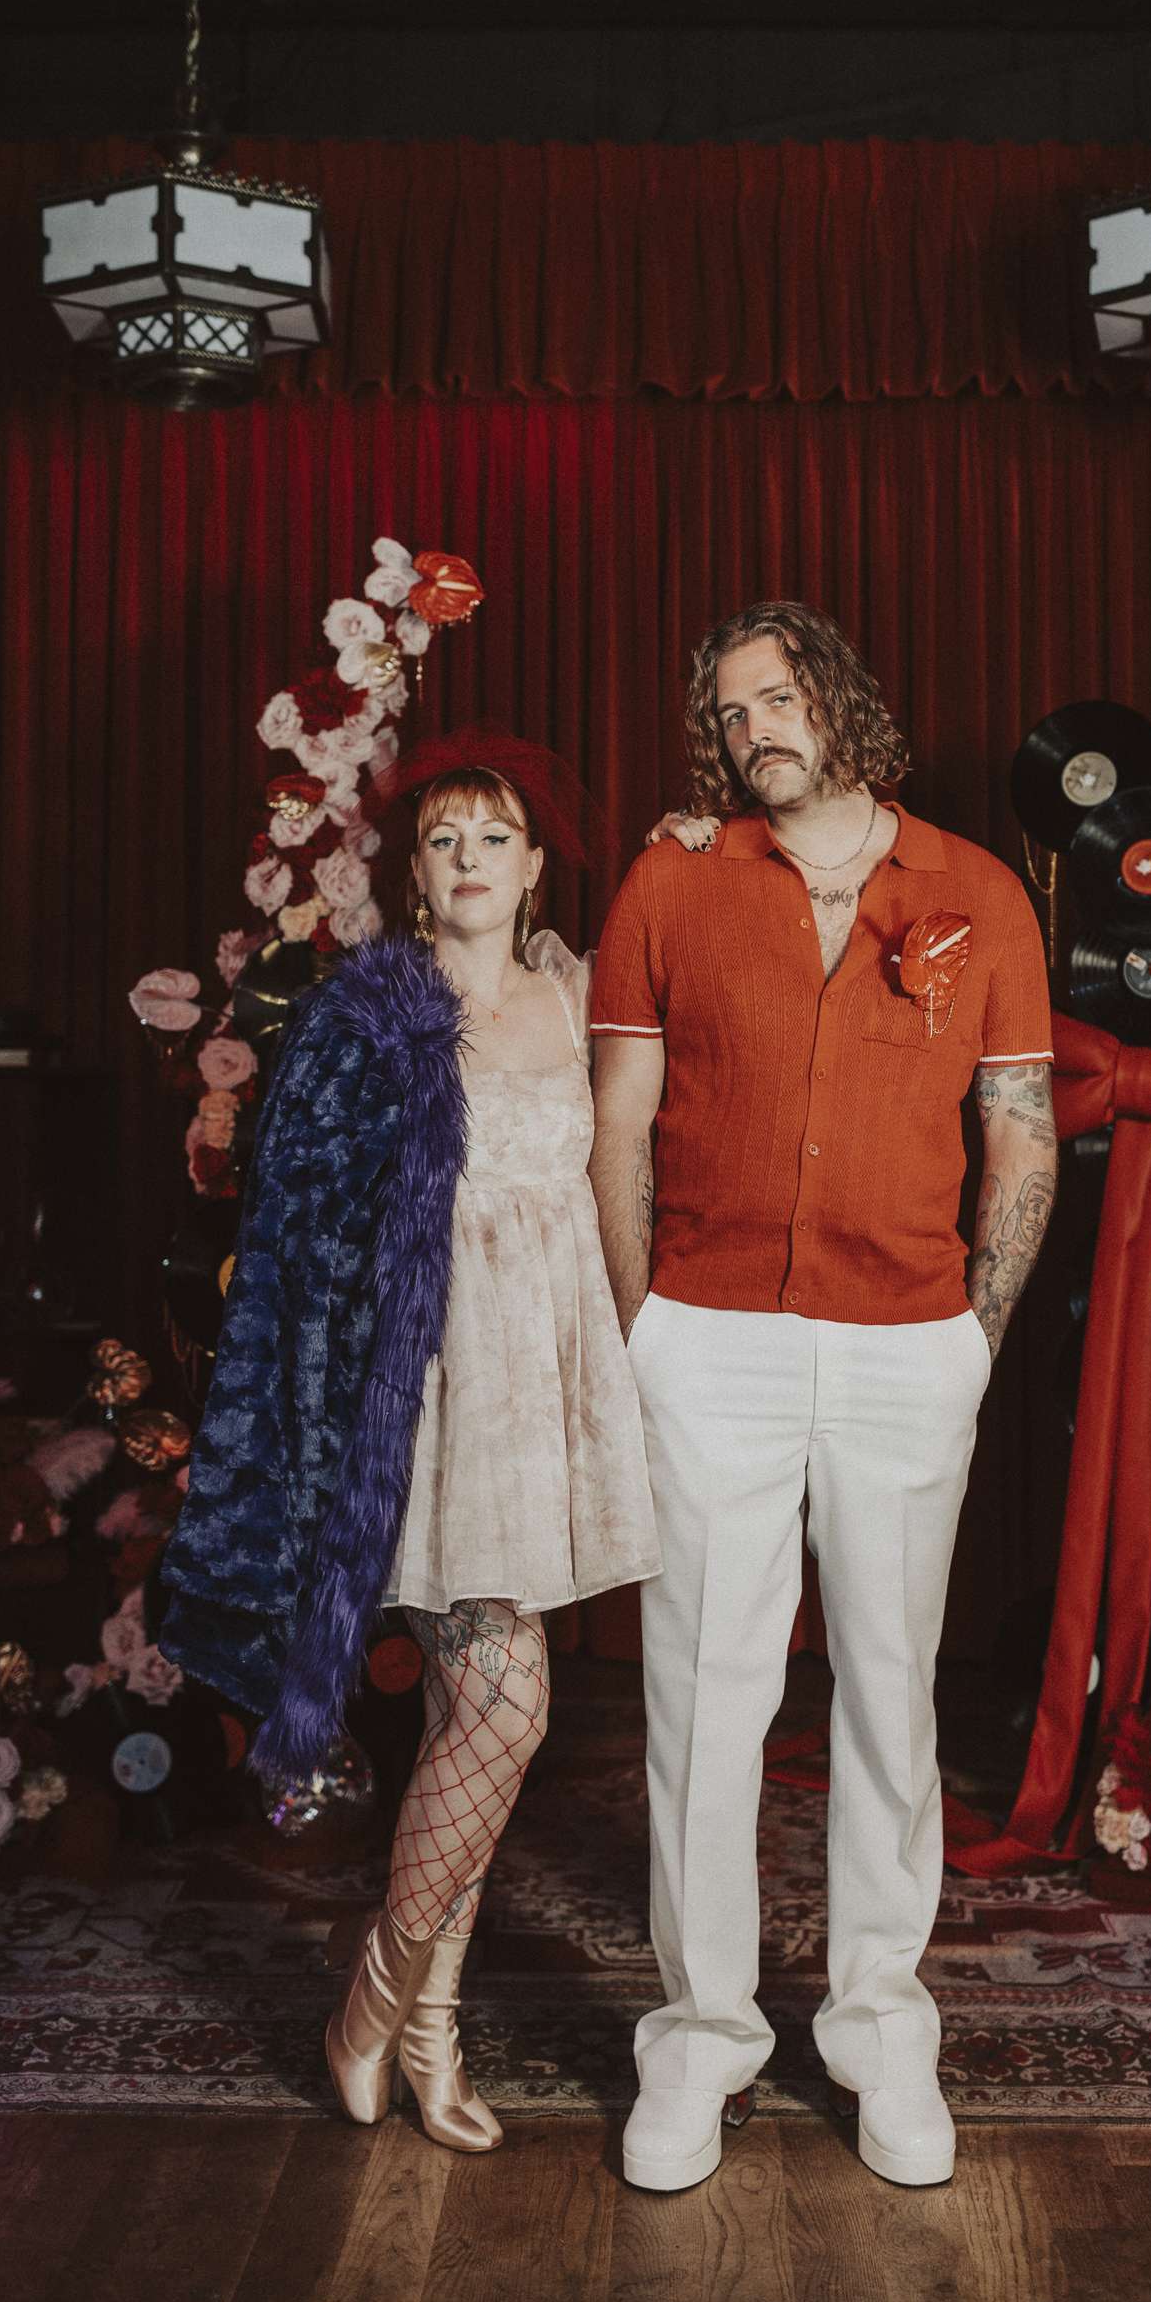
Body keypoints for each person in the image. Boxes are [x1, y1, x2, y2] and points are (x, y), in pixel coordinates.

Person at [588, 601, 1058, 2193]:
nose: (752, 729)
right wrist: (642, 1324)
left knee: (889, 1696)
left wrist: (976, 1335)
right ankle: (700, 2040)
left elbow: (1022, 1128)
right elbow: (619, 1115)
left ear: (841, 702)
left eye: (777, 697)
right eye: (728, 712)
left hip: (909, 1340)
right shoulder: (670, 881)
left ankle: (879, 2034)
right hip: (706, 1335)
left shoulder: (980, 894)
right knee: (701, 1701)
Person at [162, 726, 673, 2155]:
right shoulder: (370, 1013)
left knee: (470, 1725)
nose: (467, 861)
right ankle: (377, 1997)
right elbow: (298, 1216)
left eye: (493, 838)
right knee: (509, 1709)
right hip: (431, 1393)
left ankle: (432, 2036)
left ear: (534, 864)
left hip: (548, 1382)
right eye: (443, 840)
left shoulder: (578, 994)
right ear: (414, 873)